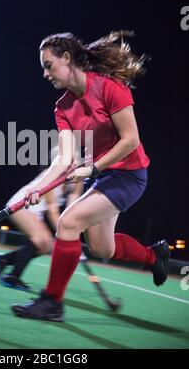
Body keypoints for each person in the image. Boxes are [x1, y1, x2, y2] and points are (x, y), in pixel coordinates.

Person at [11, 31, 170, 322]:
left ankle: (51, 303)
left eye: (49, 65)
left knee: (68, 223)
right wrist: (40, 189)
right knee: (101, 248)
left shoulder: (110, 88)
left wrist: (94, 168)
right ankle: (153, 255)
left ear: (68, 59)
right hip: (106, 176)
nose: (45, 74)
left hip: (129, 176)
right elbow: (65, 158)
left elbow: (130, 140)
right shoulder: (62, 107)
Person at [0, 149, 84, 290]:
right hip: (22, 204)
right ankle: (13, 277)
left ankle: (5, 259)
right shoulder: (51, 176)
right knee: (39, 239)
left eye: (75, 160)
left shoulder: (78, 177)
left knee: (46, 246)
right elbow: (52, 210)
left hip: (37, 211)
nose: (72, 163)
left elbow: (73, 202)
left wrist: (74, 232)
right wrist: (68, 235)